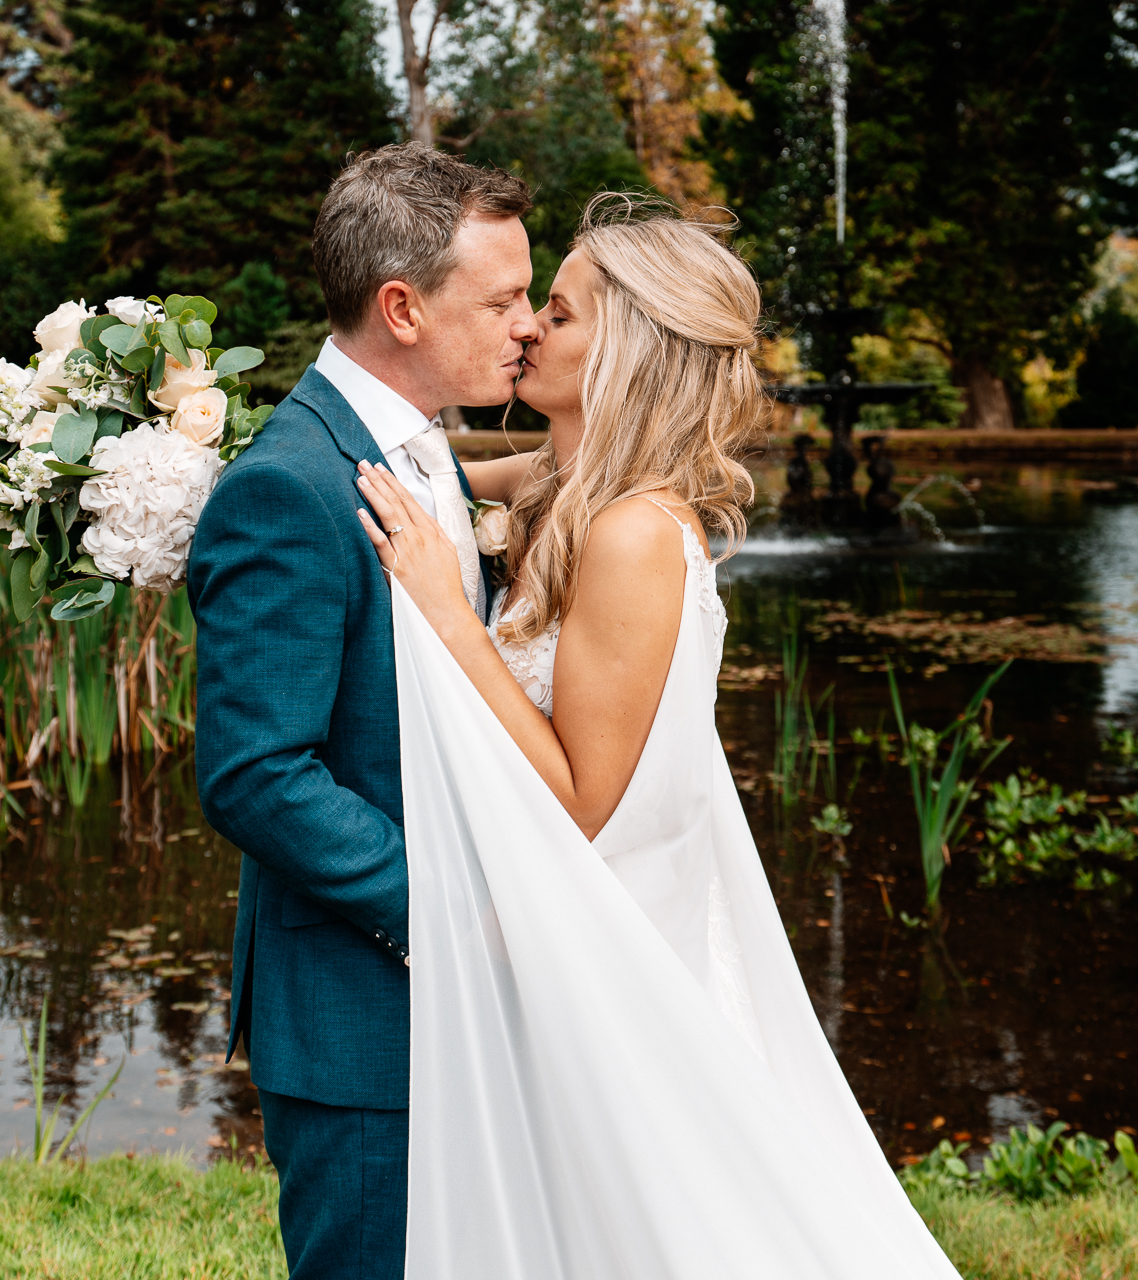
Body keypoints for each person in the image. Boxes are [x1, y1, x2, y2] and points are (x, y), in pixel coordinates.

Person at [355, 194, 963, 1277]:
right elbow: (417, 472)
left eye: (561, 311)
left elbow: (585, 797)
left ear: (630, 348)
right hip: (564, 940)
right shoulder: (567, 487)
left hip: (612, 954)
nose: (531, 326)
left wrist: (451, 613)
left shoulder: (636, 531)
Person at [187, 142, 537, 1279]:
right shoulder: (285, 488)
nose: (527, 324)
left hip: (443, 1002)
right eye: (503, 298)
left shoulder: (416, 438)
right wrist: (449, 916)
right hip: (362, 1013)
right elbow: (256, 772)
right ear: (403, 306)